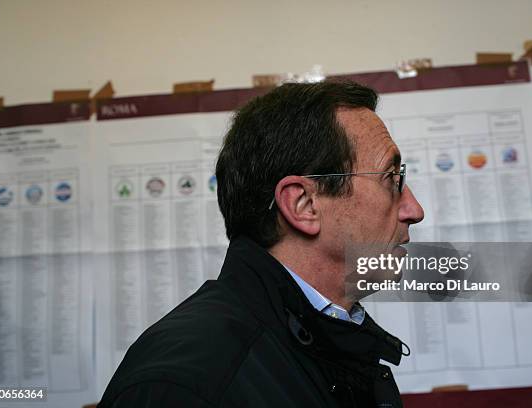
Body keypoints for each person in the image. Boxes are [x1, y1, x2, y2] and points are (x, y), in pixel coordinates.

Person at [98, 80, 424, 408]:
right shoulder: (185, 387)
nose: (414, 210)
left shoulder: (335, 338)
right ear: (304, 206)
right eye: (391, 179)